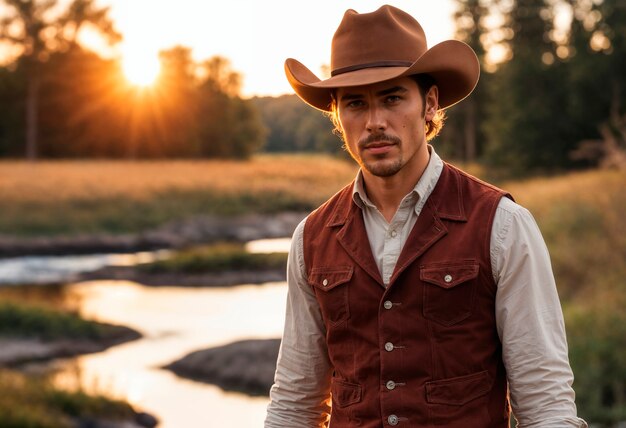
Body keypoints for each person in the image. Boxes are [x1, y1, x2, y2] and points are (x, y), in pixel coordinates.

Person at [265, 5, 587, 427]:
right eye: (356, 104)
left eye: (393, 98)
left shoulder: (502, 224)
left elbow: (545, 402)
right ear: (337, 116)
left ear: (429, 104)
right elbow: (295, 401)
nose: (375, 122)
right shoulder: (311, 238)